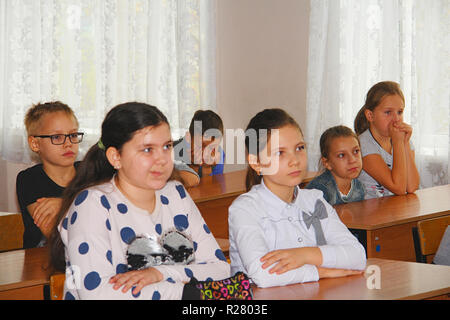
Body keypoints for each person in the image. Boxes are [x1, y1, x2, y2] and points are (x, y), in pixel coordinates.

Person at [49, 102, 252, 300]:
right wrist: (188, 293)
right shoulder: (91, 205)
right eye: (147, 150)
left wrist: (160, 274)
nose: (162, 159)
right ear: (115, 157)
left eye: (166, 146)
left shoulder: (176, 193)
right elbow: (97, 294)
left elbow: (220, 269)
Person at [228, 108, 366, 288]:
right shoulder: (245, 209)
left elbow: (357, 256)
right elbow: (263, 275)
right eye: (280, 153)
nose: (295, 160)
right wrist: (321, 272)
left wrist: (305, 255)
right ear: (256, 162)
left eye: (300, 148)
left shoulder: (315, 200)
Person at [16, 101, 83, 248]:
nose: (68, 143)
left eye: (73, 135)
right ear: (35, 144)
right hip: (42, 263)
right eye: (57, 137)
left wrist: (63, 204)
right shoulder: (29, 179)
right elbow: (59, 238)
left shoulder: (89, 172)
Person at [354, 81, 420, 199]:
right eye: (388, 112)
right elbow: (399, 188)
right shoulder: (362, 145)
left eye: (400, 112)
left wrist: (404, 143)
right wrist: (398, 142)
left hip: (394, 209)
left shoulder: (403, 140)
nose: (396, 119)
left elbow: (411, 187)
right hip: (370, 212)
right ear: (370, 115)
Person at [305, 125, 365, 205]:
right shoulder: (319, 191)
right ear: (327, 163)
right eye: (341, 155)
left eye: (356, 151)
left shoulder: (359, 187)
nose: (352, 160)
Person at [173, 110, 225, 187]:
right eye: (202, 145)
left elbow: (210, 190)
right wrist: (194, 165)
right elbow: (184, 191)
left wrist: (207, 168)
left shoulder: (218, 154)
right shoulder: (172, 152)